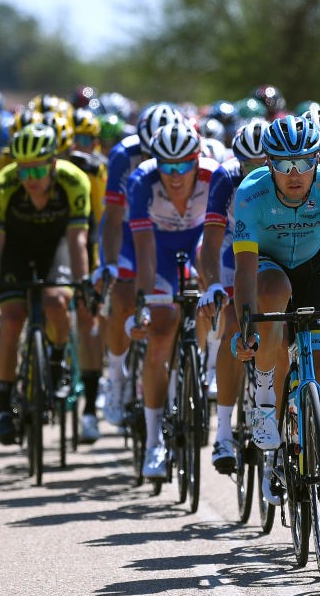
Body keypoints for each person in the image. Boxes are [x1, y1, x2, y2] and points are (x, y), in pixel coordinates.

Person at [229, 116, 320, 462]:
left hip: (315, 267)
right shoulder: (251, 193)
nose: (294, 173)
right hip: (269, 265)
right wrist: (246, 328)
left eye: (303, 162)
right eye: (283, 163)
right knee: (271, 288)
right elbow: (244, 270)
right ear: (268, 163)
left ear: (318, 159)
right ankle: (266, 399)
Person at [0, 123, 92, 446]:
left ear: (53, 164)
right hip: (15, 250)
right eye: (23, 170)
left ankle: (57, 362)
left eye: (38, 170)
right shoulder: (3, 184)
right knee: (12, 318)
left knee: (57, 302)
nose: (30, 179)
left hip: (56, 246)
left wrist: (83, 281)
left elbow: (78, 239)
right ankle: (3, 407)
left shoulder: (74, 181)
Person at [124, 121, 218, 479]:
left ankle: (205, 370)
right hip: (160, 254)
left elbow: (216, 243)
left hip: (200, 245)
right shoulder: (142, 183)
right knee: (161, 333)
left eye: (184, 165)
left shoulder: (213, 176)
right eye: (167, 166)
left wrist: (212, 285)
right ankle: (153, 444)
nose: (175, 175)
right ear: (155, 163)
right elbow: (144, 252)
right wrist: (143, 305)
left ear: (198, 159)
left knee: (209, 301)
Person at [97, 103, 183, 427]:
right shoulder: (123, 155)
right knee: (122, 297)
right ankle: (117, 377)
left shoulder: (185, 155)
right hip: (131, 234)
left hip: (170, 233)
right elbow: (113, 218)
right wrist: (109, 265)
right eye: (149, 153)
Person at [199, 118, 268, 473]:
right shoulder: (226, 177)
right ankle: (223, 433)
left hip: (273, 251)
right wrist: (211, 284)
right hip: (232, 249)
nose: (255, 172)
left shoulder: (286, 178)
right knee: (232, 326)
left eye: (263, 165)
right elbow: (209, 244)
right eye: (248, 165)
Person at [67, 108, 111, 443]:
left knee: (89, 315)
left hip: (85, 241)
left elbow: (98, 222)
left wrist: (95, 269)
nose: (80, 146)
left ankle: (89, 409)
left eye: (87, 140)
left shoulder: (96, 169)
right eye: (74, 139)